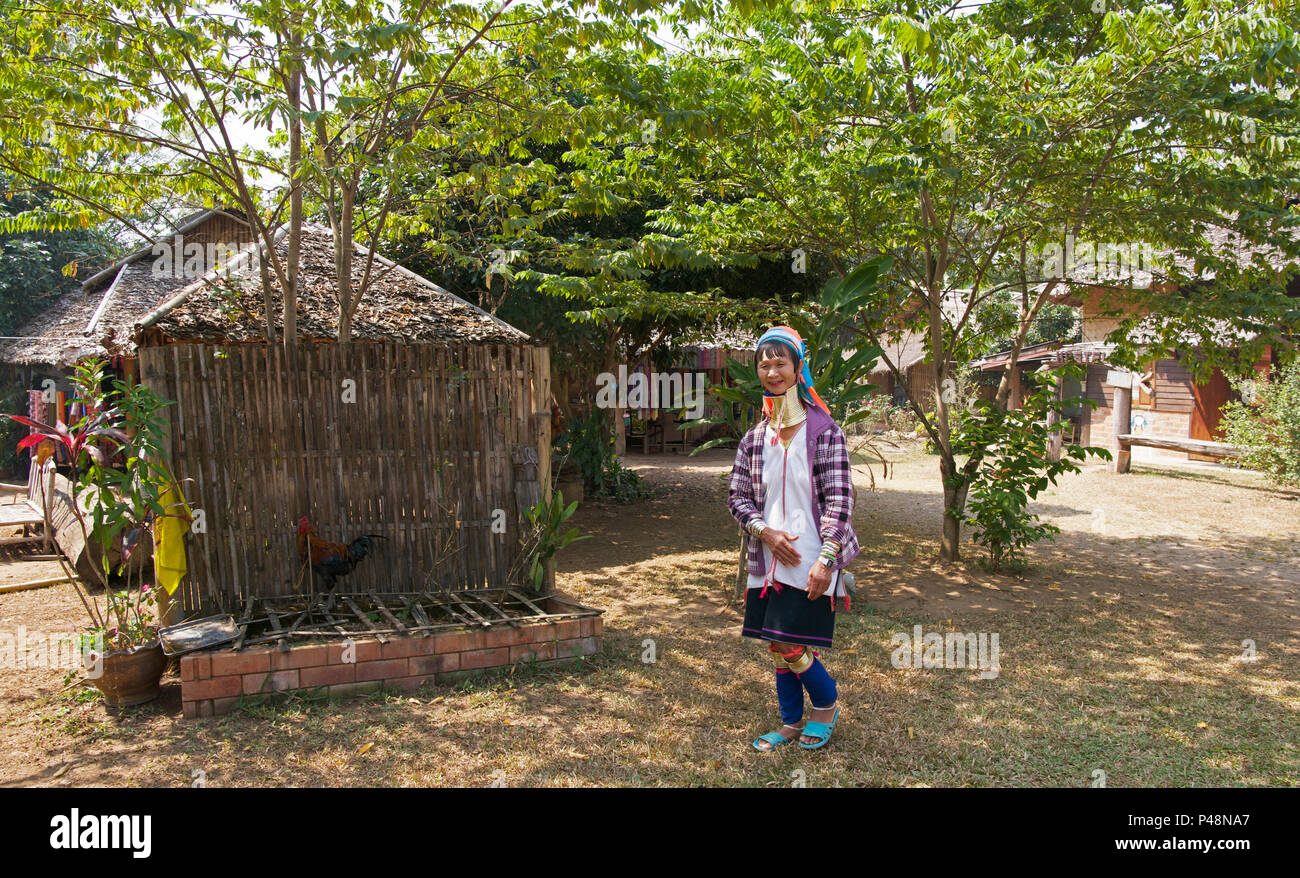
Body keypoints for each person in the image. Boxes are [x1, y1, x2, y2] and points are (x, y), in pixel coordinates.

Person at [727, 326, 859, 750]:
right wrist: (763, 532)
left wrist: (826, 559)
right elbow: (738, 497)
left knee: (786, 638)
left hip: (811, 558)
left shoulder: (824, 432)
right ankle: (790, 722)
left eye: (780, 362)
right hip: (768, 559)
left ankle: (826, 703)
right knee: (777, 641)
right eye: (764, 364)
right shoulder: (755, 438)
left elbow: (840, 499)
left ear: (798, 367)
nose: (771, 371)